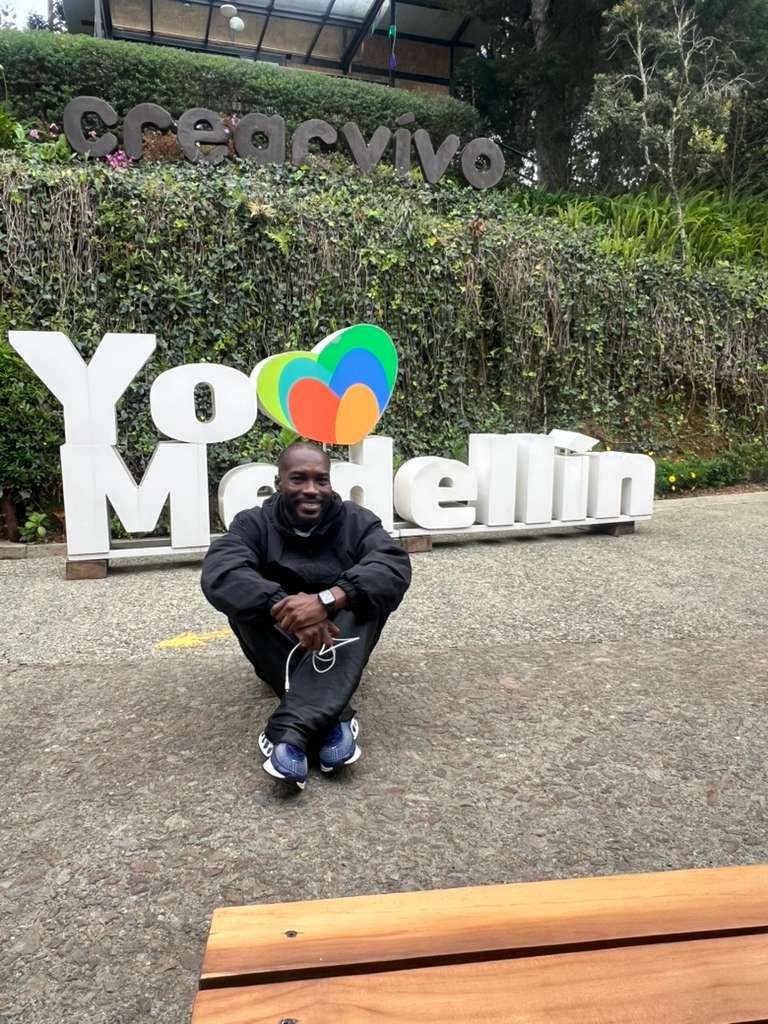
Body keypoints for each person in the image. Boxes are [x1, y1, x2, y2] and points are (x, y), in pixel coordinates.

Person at [200, 441, 412, 789]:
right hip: (280, 646)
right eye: (298, 479)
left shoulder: (357, 521)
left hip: (339, 636)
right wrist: (287, 607)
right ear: (278, 482)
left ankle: (290, 732)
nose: (311, 490)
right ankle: (334, 717)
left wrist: (327, 601)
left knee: (371, 596)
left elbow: (393, 565)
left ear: (331, 484)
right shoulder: (253, 523)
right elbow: (220, 572)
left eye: (321, 480)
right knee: (243, 599)